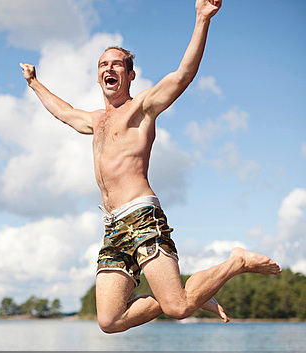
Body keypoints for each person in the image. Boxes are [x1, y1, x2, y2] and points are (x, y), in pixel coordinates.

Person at [20, 0, 281, 333]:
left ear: (130, 75)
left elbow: (182, 76)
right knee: (109, 320)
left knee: (178, 308)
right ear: (98, 75)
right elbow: (64, 111)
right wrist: (34, 83)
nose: (108, 68)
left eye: (117, 64)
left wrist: (202, 19)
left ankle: (236, 262)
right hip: (112, 226)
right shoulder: (96, 121)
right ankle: (195, 293)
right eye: (103, 64)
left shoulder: (141, 107)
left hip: (142, 215)